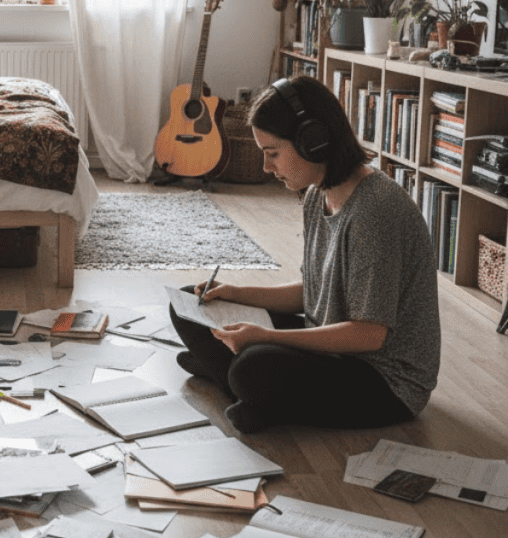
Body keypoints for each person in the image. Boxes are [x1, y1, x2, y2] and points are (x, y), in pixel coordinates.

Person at [168, 75, 440, 434]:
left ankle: (239, 383)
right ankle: (248, 391)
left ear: (314, 142)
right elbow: (313, 291)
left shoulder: (376, 211)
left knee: (253, 367)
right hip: (331, 344)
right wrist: (234, 292)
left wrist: (267, 338)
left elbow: (368, 335)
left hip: (382, 380)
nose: (267, 168)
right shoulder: (317, 193)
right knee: (190, 303)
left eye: (273, 153)